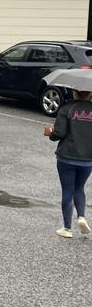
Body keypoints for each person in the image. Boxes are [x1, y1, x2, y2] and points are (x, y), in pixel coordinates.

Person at [44, 89, 92, 238]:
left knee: (67, 191)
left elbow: (59, 133)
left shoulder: (67, 109)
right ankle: (82, 217)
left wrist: (50, 132)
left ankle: (67, 228)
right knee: (79, 188)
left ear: (74, 93)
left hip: (67, 156)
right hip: (87, 158)